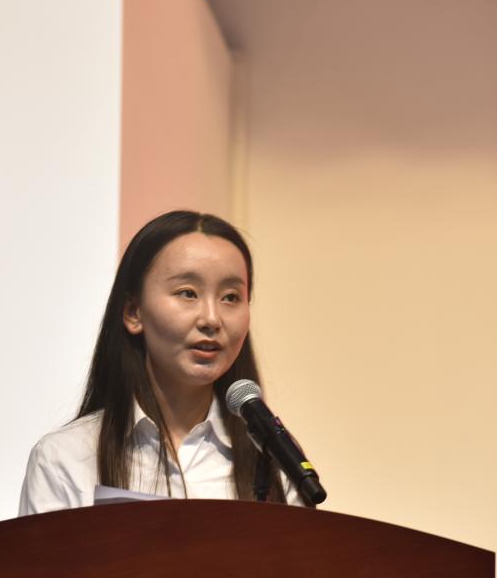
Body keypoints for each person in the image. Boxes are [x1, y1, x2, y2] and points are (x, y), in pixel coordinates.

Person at [18, 210, 305, 514]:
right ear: (133, 312)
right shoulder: (66, 458)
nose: (211, 319)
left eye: (231, 297)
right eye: (188, 293)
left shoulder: (274, 457)